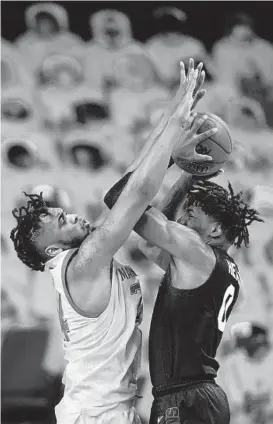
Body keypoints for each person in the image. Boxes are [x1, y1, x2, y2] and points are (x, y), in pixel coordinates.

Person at [10, 60, 215, 424]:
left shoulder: (87, 260)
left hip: (109, 413)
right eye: (61, 221)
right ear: (54, 251)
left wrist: (175, 111)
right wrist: (175, 136)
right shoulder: (81, 264)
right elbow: (135, 195)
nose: (70, 214)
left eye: (63, 211)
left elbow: (128, 184)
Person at [104, 100, 263, 424]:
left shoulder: (197, 251)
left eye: (192, 214)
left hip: (185, 398)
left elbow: (121, 203)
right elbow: (149, 245)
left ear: (216, 229)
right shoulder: (218, 268)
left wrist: (173, 161)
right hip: (204, 397)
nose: (184, 218)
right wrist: (188, 178)